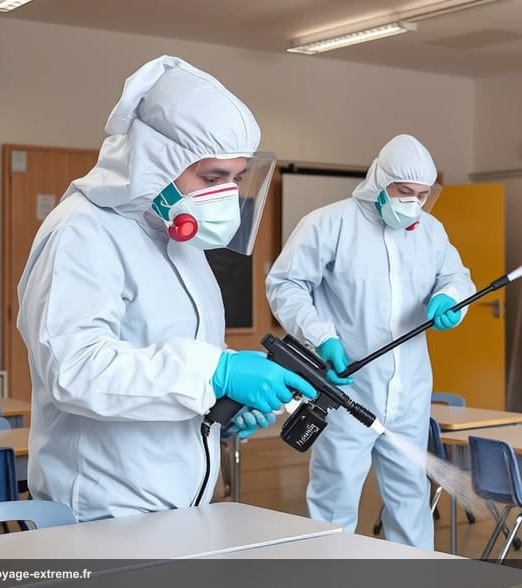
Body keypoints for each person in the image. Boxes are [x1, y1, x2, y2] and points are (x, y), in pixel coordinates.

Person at [16, 55, 317, 522]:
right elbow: (74, 370)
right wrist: (215, 373)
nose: (227, 194)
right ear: (158, 162)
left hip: (180, 506)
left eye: (236, 178)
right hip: (103, 509)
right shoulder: (84, 232)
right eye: (212, 177)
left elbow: (171, 356)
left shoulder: (179, 240)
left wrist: (220, 404)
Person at [266, 134, 475, 549]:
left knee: (410, 497)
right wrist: (322, 337)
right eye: (403, 192)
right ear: (379, 180)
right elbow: (285, 284)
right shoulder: (330, 223)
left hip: (410, 394)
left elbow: (457, 277)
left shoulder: (430, 232)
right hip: (347, 392)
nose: (412, 204)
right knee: (335, 499)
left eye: (421, 195)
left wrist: (448, 299)